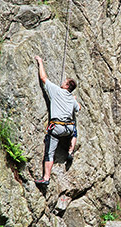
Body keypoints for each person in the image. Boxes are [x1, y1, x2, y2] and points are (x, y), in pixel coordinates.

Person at [34, 55, 81, 185]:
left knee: (49, 153)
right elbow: (79, 109)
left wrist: (40, 62)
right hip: (68, 129)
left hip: (57, 129)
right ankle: (70, 151)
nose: (62, 82)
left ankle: (46, 178)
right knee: (75, 131)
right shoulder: (71, 98)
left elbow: (44, 78)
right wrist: (75, 100)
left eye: (64, 82)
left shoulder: (56, 91)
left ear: (66, 86)